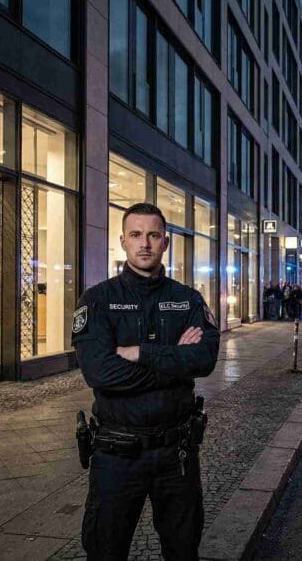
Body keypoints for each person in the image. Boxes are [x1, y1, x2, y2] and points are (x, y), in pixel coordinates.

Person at [72, 203, 220, 559]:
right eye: (136, 235)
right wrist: (174, 360)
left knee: (183, 549)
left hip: (177, 454)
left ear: (166, 242)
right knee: (106, 550)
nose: (145, 244)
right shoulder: (98, 301)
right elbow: (100, 372)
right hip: (117, 454)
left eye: (153, 235)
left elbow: (204, 359)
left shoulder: (187, 300)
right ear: (123, 241)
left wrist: (141, 352)